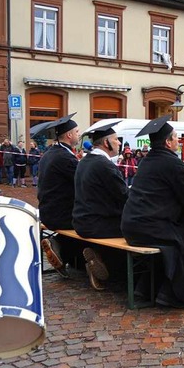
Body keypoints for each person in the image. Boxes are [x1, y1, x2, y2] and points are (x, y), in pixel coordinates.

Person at [120, 115, 184, 308]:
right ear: (167, 142)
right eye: (176, 138)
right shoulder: (173, 163)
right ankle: (171, 293)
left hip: (130, 224)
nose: (178, 141)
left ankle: (144, 288)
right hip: (150, 226)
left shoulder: (146, 161)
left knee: (173, 242)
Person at [72, 122, 128, 290]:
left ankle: (97, 262)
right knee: (138, 228)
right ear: (106, 143)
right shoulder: (104, 165)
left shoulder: (84, 161)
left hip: (81, 221)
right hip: (98, 224)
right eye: (116, 139)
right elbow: (124, 195)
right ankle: (114, 273)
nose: (119, 143)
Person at [36, 113, 83, 277]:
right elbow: (82, 183)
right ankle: (62, 247)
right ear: (69, 135)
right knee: (93, 222)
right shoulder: (64, 157)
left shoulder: (49, 153)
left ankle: (65, 251)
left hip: (47, 211)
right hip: (61, 214)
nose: (79, 134)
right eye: (77, 132)